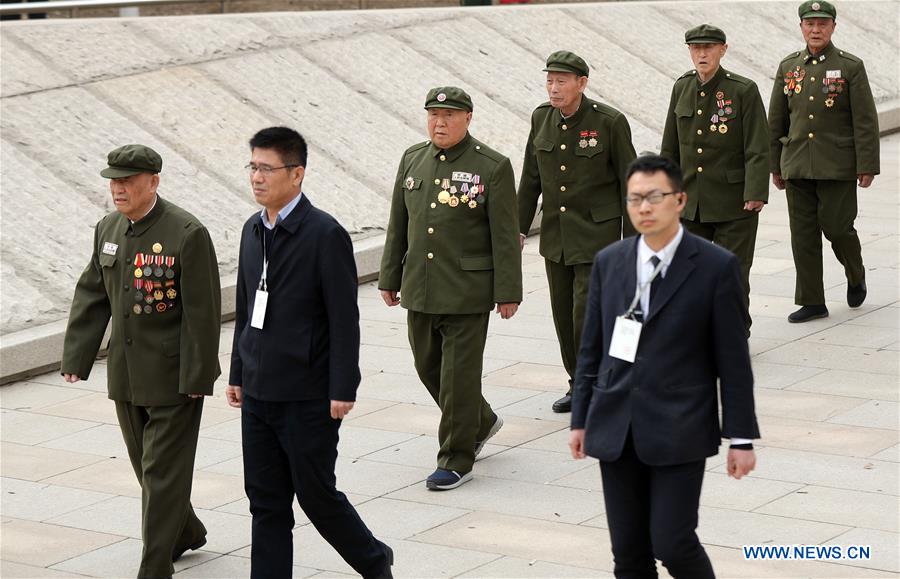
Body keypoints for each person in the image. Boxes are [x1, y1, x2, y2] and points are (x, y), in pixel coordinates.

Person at [569, 155, 759, 579]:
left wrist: (741, 437)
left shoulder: (715, 266)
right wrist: (581, 418)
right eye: (635, 199)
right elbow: (592, 349)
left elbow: (733, 362)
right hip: (616, 426)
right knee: (629, 555)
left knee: (673, 542)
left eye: (655, 197)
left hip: (680, 428)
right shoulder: (610, 261)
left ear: (680, 200)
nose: (644, 208)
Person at [225, 127, 393, 579]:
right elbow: (246, 307)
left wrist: (343, 387)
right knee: (265, 501)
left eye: (266, 168)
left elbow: (344, 318)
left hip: (307, 395)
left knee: (317, 495)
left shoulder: (324, 234)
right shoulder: (251, 230)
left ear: (296, 174)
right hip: (258, 393)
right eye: (252, 167)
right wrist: (238, 371)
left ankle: (375, 561)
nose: (256, 177)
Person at [61, 144, 221, 578]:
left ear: (153, 182)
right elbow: (93, 293)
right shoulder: (107, 228)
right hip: (127, 376)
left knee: (162, 472)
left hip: (174, 376)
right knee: (146, 467)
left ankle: (155, 568)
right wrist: (77, 355)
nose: (118, 188)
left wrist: (198, 374)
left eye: (128, 180)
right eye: (114, 180)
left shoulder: (187, 232)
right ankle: (184, 531)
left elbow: (203, 313)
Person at [379, 87, 522, 490]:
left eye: (449, 115)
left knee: (459, 377)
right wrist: (390, 277)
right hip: (420, 288)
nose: (440, 122)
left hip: (467, 290)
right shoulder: (413, 159)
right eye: (434, 115)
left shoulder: (491, 166)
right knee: (428, 368)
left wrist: (507, 291)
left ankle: (456, 457)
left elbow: (505, 236)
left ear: (468, 118)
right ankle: (482, 419)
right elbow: (399, 225)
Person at [518, 50, 636, 414]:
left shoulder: (608, 122)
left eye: (562, 81)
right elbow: (531, 178)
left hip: (597, 236)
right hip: (557, 238)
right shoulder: (542, 118)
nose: (554, 88)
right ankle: (578, 382)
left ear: (582, 84)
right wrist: (517, 229)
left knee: (586, 314)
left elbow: (629, 183)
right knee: (563, 314)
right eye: (550, 81)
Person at [768, 0, 879, 323]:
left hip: (837, 164)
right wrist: (775, 165)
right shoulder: (789, 66)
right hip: (797, 163)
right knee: (802, 234)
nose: (815, 30)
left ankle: (855, 273)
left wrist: (867, 164)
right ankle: (812, 300)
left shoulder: (850, 66)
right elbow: (777, 121)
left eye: (822, 24)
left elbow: (865, 120)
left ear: (832, 27)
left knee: (837, 227)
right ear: (801, 27)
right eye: (810, 24)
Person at [660, 24, 769, 313]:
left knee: (731, 275)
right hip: (690, 203)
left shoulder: (742, 90)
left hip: (734, 203)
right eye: (696, 48)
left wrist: (756, 191)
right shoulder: (682, 87)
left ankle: (734, 336)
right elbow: (670, 146)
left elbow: (758, 146)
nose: (702, 54)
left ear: (723, 49)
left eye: (708, 47)